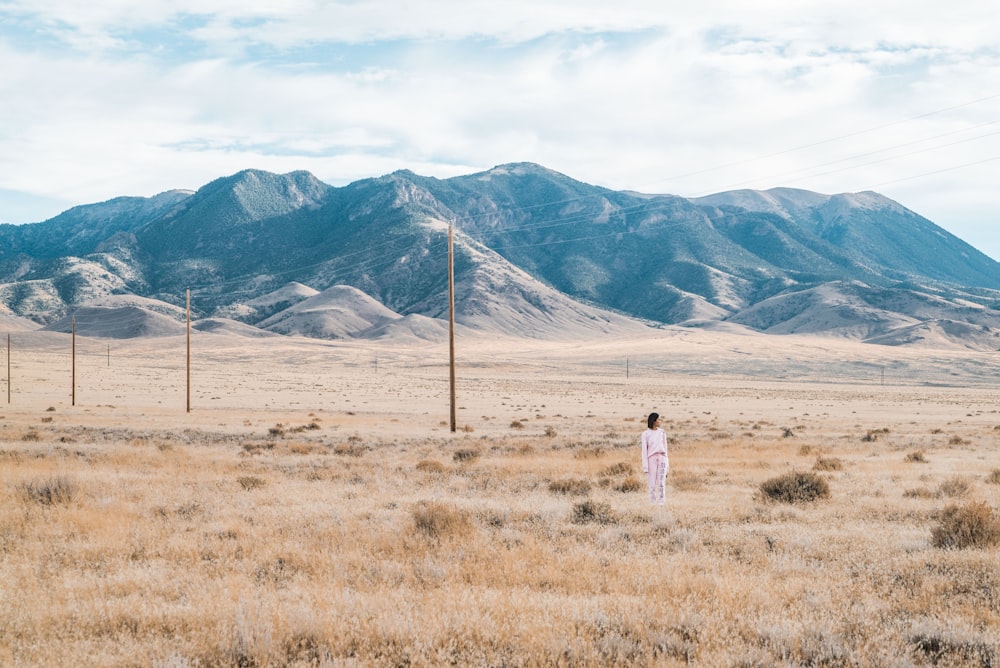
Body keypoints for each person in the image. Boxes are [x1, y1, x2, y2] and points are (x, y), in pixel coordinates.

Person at [641, 412, 669, 505]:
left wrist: (667, 465)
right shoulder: (645, 434)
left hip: (662, 458)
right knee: (652, 484)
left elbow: (665, 448)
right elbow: (644, 451)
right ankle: (652, 502)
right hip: (651, 459)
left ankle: (661, 503)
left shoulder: (662, 432)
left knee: (661, 482)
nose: (660, 421)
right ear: (654, 421)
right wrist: (645, 467)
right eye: (659, 419)